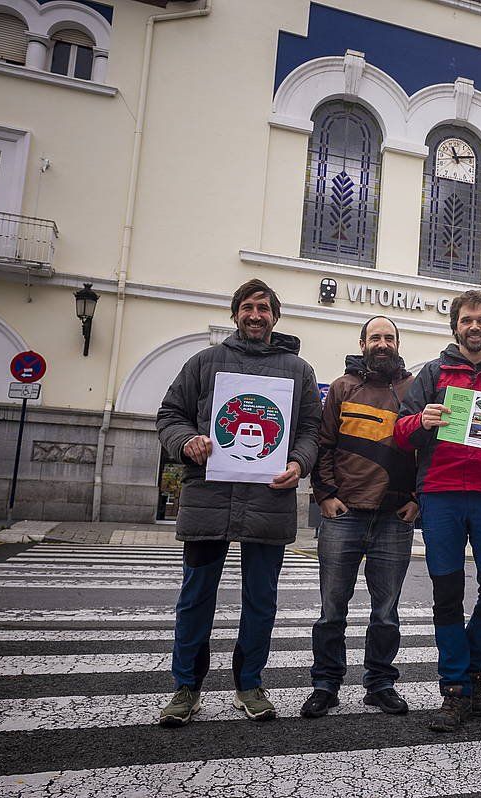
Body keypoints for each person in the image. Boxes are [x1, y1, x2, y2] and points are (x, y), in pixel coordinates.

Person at [156, 278, 321, 727]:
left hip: (269, 498)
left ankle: (249, 683)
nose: (255, 315)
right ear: (235, 314)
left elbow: (310, 430)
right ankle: (185, 688)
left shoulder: (298, 370)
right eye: (247, 307)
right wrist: (186, 440)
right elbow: (170, 415)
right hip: (209, 496)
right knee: (195, 598)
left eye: (263, 308)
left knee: (261, 600)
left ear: (275, 316)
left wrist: (300, 464)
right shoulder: (204, 362)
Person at [394, 289, 481, 732]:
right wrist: (421, 422)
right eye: (467, 320)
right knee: (447, 595)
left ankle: (472, 671)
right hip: (440, 495)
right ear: (455, 325)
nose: (474, 327)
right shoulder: (432, 374)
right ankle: (456, 689)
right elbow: (400, 433)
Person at [302, 316, 418, 718]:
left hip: (393, 518)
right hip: (344, 514)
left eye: (389, 337)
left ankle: (380, 684)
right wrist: (325, 496)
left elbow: (427, 448)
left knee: (386, 611)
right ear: (363, 343)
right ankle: (325, 685)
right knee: (332, 609)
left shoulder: (413, 390)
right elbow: (323, 444)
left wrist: (417, 499)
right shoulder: (341, 387)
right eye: (375, 337)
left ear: (398, 343)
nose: (382, 344)